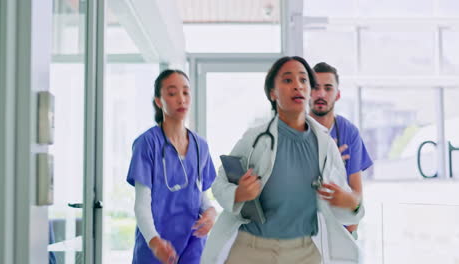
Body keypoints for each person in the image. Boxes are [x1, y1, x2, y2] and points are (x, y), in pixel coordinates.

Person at [202, 56, 364, 264]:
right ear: (273, 92)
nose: (297, 86)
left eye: (303, 80)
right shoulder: (255, 138)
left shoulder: (325, 145)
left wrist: (352, 203)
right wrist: (238, 193)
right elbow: (219, 184)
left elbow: (347, 211)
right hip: (250, 248)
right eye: (288, 80)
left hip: (304, 252)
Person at [126, 69, 217, 264]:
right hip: (156, 247)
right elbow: (141, 204)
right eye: (172, 93)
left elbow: (200, 195)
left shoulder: (200, 146)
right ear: (159, 101)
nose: (181, 99)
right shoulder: (147, 144)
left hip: (193, 247)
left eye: (185, 92)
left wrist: (211, 212)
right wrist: (155, 242)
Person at [309, 62, 373, 237]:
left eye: (328, 88)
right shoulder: (295, 130)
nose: (321, 94)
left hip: (341, 232)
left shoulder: (349, 133)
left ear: (337, 95)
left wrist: (352, 223)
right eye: (315, 87)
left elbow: (356, 196)